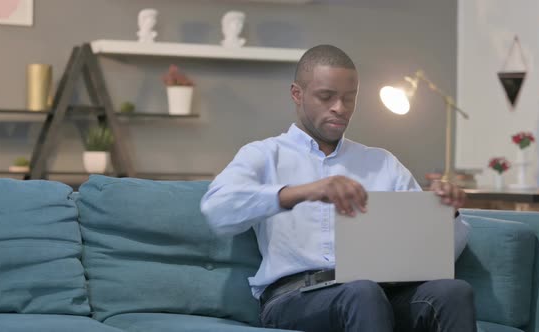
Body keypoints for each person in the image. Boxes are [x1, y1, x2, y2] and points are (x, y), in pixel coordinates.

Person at [200, 44, 477, 332]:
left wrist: (447, 214)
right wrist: (301, 192)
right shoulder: (265, 154)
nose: (340, 108)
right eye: (326, 97)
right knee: (361, 292)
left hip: (379, 292)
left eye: (349, 98)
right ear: (297, 94)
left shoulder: (382, 163)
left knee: (452, 292)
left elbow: (433, 259)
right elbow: (217, 209)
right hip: (293, 297)